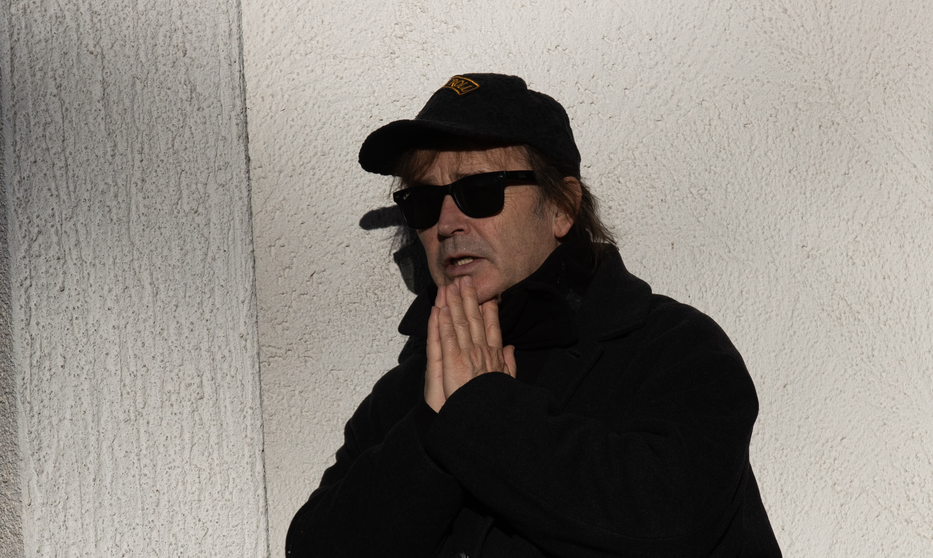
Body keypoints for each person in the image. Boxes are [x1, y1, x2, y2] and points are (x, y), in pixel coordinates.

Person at [286, 73, 781, 557]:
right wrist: (427, 433)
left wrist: (477, 411)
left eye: (480, 190)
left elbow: (669, 520)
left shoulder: (673, 348)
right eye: (424, 200)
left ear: (562, 207)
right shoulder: (411, 385)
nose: (447, 223)